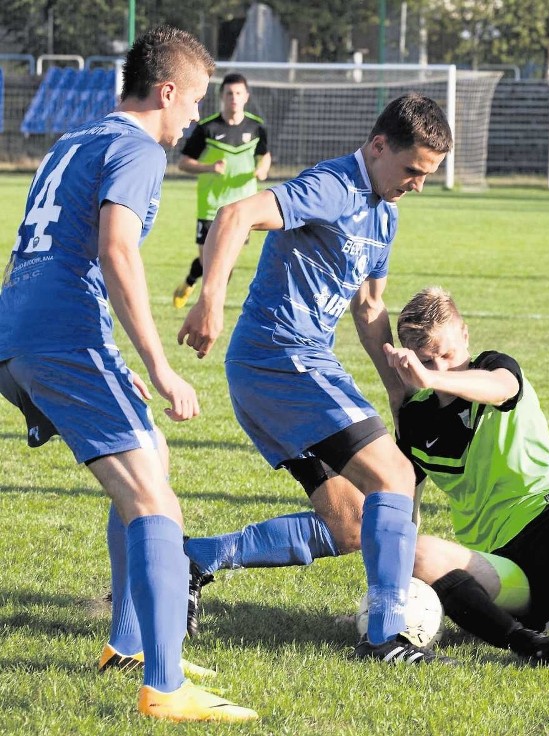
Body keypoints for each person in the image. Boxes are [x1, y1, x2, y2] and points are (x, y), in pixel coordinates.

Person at [0, 26, 257, 723]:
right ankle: (165, 688)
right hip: (59, 332)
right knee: (155, 501)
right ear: (167, 91)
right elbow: (115, 250)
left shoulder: (76, 139)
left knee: (151, 461)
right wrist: (159, 365)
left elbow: (62, 246)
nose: (194, 119)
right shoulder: (138, 148)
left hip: (25, 321)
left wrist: (110, 358)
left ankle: (129, 644)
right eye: (194, 101)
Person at [178, 94, 456, 665]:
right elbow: (236, 214)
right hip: (278, 359)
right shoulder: (333, 185)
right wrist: (211, 300)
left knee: (351, 524)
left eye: (427, 176)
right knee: (394, 477)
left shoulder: (385, 213)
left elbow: (371, 307)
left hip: (301, 365)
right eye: (412, 170)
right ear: (379, 146)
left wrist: (399, 388)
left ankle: (193, 558)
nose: (418, 185)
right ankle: (386, 639)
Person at [384, 285, 549, 667]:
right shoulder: (416, 420)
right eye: (426, 361)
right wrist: (384, 600)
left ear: (466, 335)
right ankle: (531, 645)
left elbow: (502, 389)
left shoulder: (494, 367)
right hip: (501, 562)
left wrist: (431, 379)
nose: (439, 367)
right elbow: (405, 507)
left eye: (447, 354)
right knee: (415, 552)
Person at [172, 72, 271, 308]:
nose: (234, 98)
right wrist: (209, 167)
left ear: (246, 97)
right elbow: (183, 163)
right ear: (221, 97)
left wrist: (263, 169)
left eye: (238, 93)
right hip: (211, 205)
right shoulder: (207, 128)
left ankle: (210, 307)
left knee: (225, 262)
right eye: (229, 93)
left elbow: (264, 155)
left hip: (242, 208)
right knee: (209, 261)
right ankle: (190, 281)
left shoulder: (257, 127)